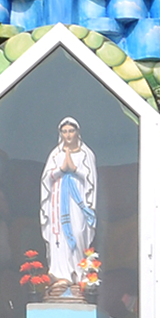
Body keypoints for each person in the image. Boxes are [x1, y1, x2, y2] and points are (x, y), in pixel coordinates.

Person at [38, 116, 98, 298]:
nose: (68, 135)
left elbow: (91, 180)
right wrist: (61, 170)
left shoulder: (86, 154)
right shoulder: (55, 155)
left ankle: (78, 275)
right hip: (58, 204)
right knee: (59, 239)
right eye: (64, 131)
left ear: (77, 132)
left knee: (78, 233)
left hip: (77, 203)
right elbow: (46, 179)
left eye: (71, 131)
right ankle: (60, 275)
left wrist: (75, 169)